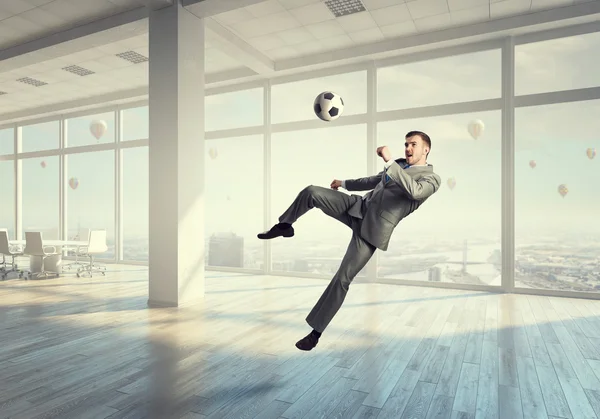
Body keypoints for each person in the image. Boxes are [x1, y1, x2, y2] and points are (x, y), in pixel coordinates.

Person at [258, 131, 442, 351]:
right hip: (357, 207)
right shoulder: (400, 164)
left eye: (413, 144)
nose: (408, 149)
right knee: (312, 192)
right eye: (406, 144)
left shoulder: (431, 179)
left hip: (373, 231)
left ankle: (315, 333)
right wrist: (344, 183)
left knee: (343, 278)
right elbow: (373, 181)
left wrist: (389, 161)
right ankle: (285, 225)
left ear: (426, 149)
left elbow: (414, 191)